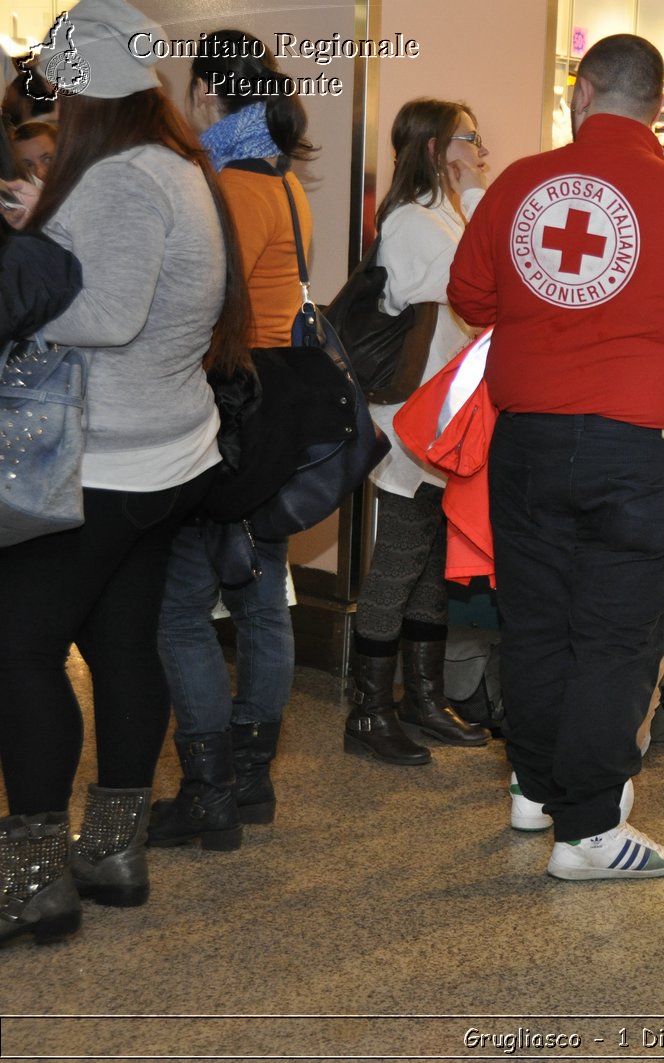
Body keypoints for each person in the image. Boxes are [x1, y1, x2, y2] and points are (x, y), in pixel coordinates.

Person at [448, 34, 664, 879]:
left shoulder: (518, 183)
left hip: (528, 442)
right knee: (617, 637)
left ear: (580, 93)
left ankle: (535, 787)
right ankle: (587, 828)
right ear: (660, 106)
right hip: (643, 450)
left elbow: (471, 295)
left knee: (538, 623)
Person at [0, 0, 250, 927]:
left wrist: (27, 278)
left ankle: (32, 882)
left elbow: (107, 316)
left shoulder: (119, 178)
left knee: (16, 654)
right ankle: (111, 855)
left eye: (62, 87)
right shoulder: (175, 166)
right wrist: (46, 223)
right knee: (119, 648)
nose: (55, 103)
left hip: (100, 463)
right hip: (165, 455)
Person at [144, 31, 317, 850]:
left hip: (228, 414)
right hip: (275, 415)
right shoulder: (278, 176)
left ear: (209, 89)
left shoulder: (232, 186)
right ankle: (250, 782)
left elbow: (210, 310)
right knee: (262, 599)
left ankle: (210, 790)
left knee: (179, 608)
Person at [344, 98, 493, 765]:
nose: (480, 147)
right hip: (410, 422)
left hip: (448, 419)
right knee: (398, 563)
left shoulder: (450, 214)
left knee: (431, 563)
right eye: (469, 137)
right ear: (434, 147)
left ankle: (423, 699)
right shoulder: (411, 222)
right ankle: (368, 710)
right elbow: (470, 290)